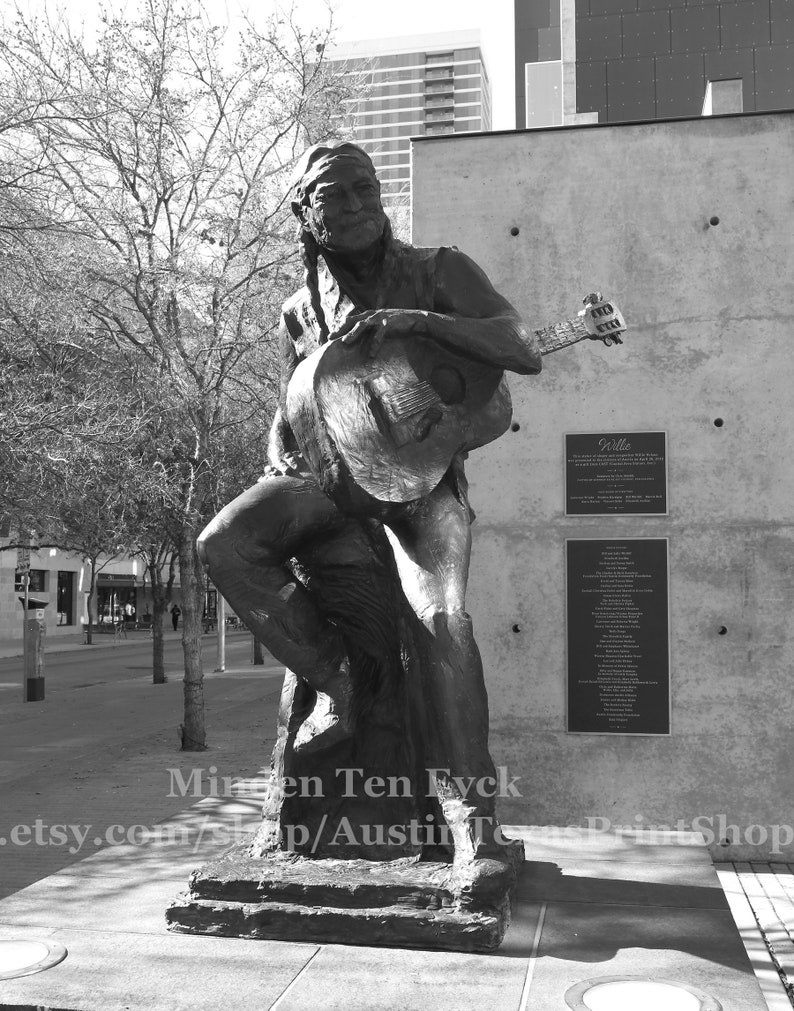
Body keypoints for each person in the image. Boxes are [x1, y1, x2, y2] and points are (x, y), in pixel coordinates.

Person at [198, 142, 544, 865]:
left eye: (366, 188)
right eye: (335, 195)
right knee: (222, 544)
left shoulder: (437, 269)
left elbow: (518, 345)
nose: (355, 204)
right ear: (306, 213)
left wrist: (418, 322)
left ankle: (470, 819)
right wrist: (276, 458)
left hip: (420, 489)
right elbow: (300, 396)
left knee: (441, 621)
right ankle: (342, 684)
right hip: (330, 481)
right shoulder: (298, 309)